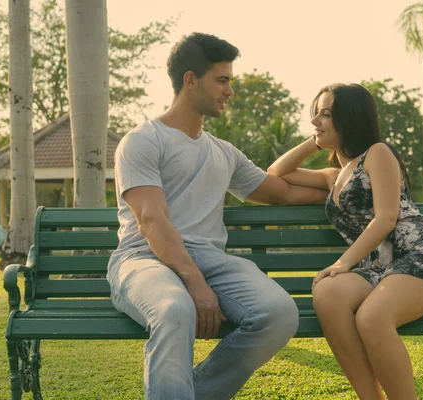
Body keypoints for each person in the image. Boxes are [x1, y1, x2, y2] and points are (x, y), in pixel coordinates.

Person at [107, 32, 328, 400]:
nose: (229, 91)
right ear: (191, 80)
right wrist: (194, 283)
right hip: (144, 259)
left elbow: (283, 191)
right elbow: (151, 221)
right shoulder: (143, 141)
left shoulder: (224, 153)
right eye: (221, 80)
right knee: (175, 308)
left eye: (230, 81)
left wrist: (341, 184)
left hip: (209, 260)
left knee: (279, 314)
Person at [267, 83, 423, 400]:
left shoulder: (378, 154)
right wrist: (317, 140)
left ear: (349, 118)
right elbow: (276, 171)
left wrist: (343, 263)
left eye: (326, 114)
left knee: (372, 317)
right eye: (316, 113)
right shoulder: (333, 175)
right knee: (327, 293)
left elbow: (386, 217)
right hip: (382, 265)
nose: (316, 120)